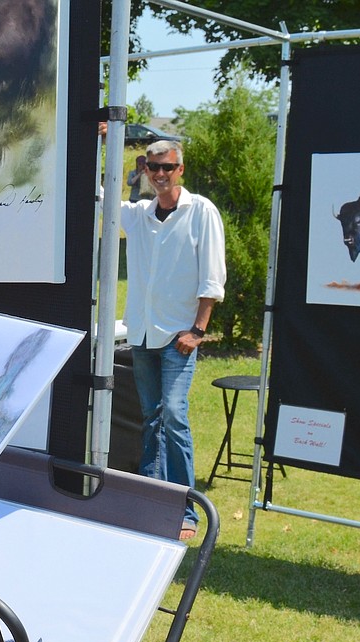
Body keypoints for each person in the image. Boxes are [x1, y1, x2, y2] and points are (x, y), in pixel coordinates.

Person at [114, 137, 226, 541]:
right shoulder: (139, 214)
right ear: (145, 169)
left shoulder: (201, 213)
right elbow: (99, 201)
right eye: (152, 167)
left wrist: (198, 330)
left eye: (167, 167)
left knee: (174, 416)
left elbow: (212, 277)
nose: (159, 174)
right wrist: (98, 149)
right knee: (151, 419)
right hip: (142, 333)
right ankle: (151, 501)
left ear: (180, 170)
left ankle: (187, 511)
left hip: (179, 337)